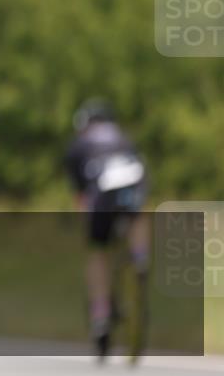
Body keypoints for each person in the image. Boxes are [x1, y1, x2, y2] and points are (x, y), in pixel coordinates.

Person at [65, 98, 149, 362]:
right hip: (132, 184)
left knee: (98, 251)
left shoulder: (80, 143)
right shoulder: (125, 137)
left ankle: (100, 315)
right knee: (137, 215)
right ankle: (140, 257)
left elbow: (80, 194)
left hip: (101, 193)